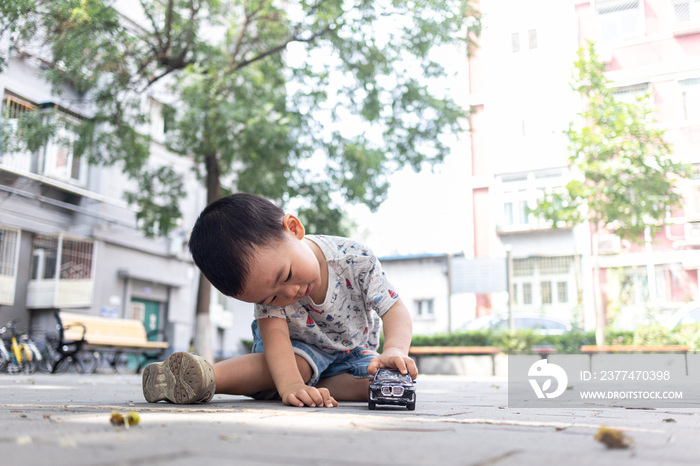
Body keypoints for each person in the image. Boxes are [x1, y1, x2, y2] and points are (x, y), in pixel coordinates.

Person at [142, 193, 418, 407]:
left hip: (350, 353)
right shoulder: (268, 290)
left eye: (286, 275)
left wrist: (394, 350)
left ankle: (300, 384)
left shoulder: (356, 260)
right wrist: (290, 386)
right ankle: (203, 377)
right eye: (271, 297)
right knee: (296, 366)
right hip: (291, 348)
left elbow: (394, 310)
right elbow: (275, 339)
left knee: (379, 382)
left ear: (294, 228)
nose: (287, 293)